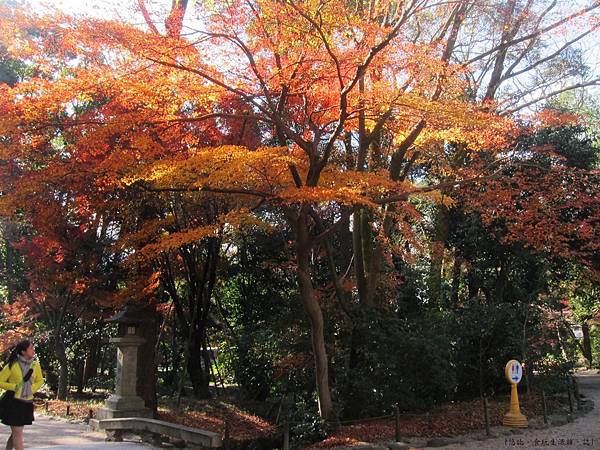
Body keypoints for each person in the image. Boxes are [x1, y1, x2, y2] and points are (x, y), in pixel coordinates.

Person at [0, 340, 45, 450]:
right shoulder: (13, 364)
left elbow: (40, 380)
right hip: (14, 403)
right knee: (18, 433)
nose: (33, 350)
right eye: (31, 348)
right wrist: (13, 386)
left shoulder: (35, 364)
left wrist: (31, 389)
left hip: (27, 403)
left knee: (16, 433)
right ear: (23, 351)